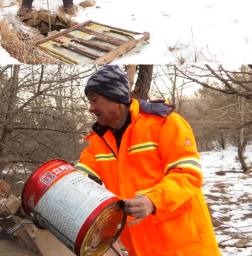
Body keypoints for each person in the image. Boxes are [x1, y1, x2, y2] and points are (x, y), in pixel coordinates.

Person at [75, 65, 220, 256]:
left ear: (115, 98)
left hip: (184, 246)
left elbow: (188, 174)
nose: (91, 108)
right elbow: (81, 177)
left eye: (94, 100)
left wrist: (153, 200)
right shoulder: (98, 141)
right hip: (140, 248)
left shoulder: (164, 123)